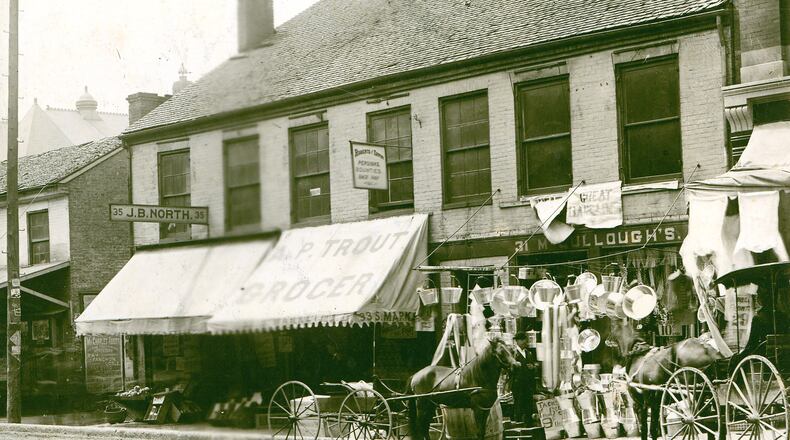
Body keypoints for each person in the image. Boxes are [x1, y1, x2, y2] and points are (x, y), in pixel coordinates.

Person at [511, 332, 538, 425]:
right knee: (519, 405)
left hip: (528, 384)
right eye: (521, 339)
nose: (523, 341)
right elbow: (510, 369)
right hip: (518, 384)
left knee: (528, 405)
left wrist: (533, 367)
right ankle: (519, 424)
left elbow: (534, 366)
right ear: (517, 341)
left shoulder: (528, 353)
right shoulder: (513, 353)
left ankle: (529, 424)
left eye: (524, 339)